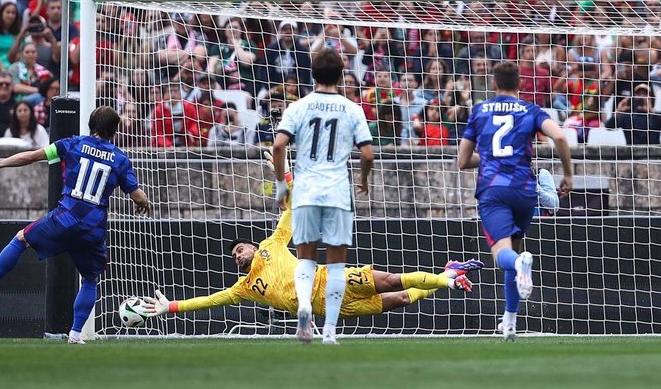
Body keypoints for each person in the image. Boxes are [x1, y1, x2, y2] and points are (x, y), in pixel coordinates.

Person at [0, 107, 152, 344]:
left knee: (21, 238)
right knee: (89, 279)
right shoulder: (120, 159)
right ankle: (75, 334)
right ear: (114, 131)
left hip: (64, 219)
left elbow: (31, 156)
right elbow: (137, 196)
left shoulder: (72, 144)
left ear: (90, 125)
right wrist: (145, 202)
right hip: (92, 230)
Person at [138, 207, 479, 322]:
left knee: (391, 281)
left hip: (328, 279)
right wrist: (171, 306)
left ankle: (448, 281)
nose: (239, 254)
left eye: (240, 248)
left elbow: (289, 213)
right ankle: (447, 272)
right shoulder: (244, 287)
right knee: (403, 299)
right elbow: (210, 300)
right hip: (326, 310)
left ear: (253, 245)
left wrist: (294, 182)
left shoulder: (272, 244)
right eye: (235, 256)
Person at [457, 60, 573, 340]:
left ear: (494, 85)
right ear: (519, 84)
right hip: (524, 191)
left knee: (505, 256)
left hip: (494, 191)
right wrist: (568, 175)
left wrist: (489, 157)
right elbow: (559, 136)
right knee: (516, 253)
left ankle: (519, 272)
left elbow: (462, 161)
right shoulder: (530, 110)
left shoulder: (480, 111)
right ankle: (509, 322)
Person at [272, 49, 373, 345]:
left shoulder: (298, 107)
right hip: (338, 192)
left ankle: (304, 307)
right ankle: (329, 331)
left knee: (305, 258)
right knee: (337, 265)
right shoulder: (352, 109)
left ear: (312, 74)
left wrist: (281, 185)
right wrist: (363, 179)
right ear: (341, 75)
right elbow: (367, 152)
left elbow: (278, 147)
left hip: (305, 191)